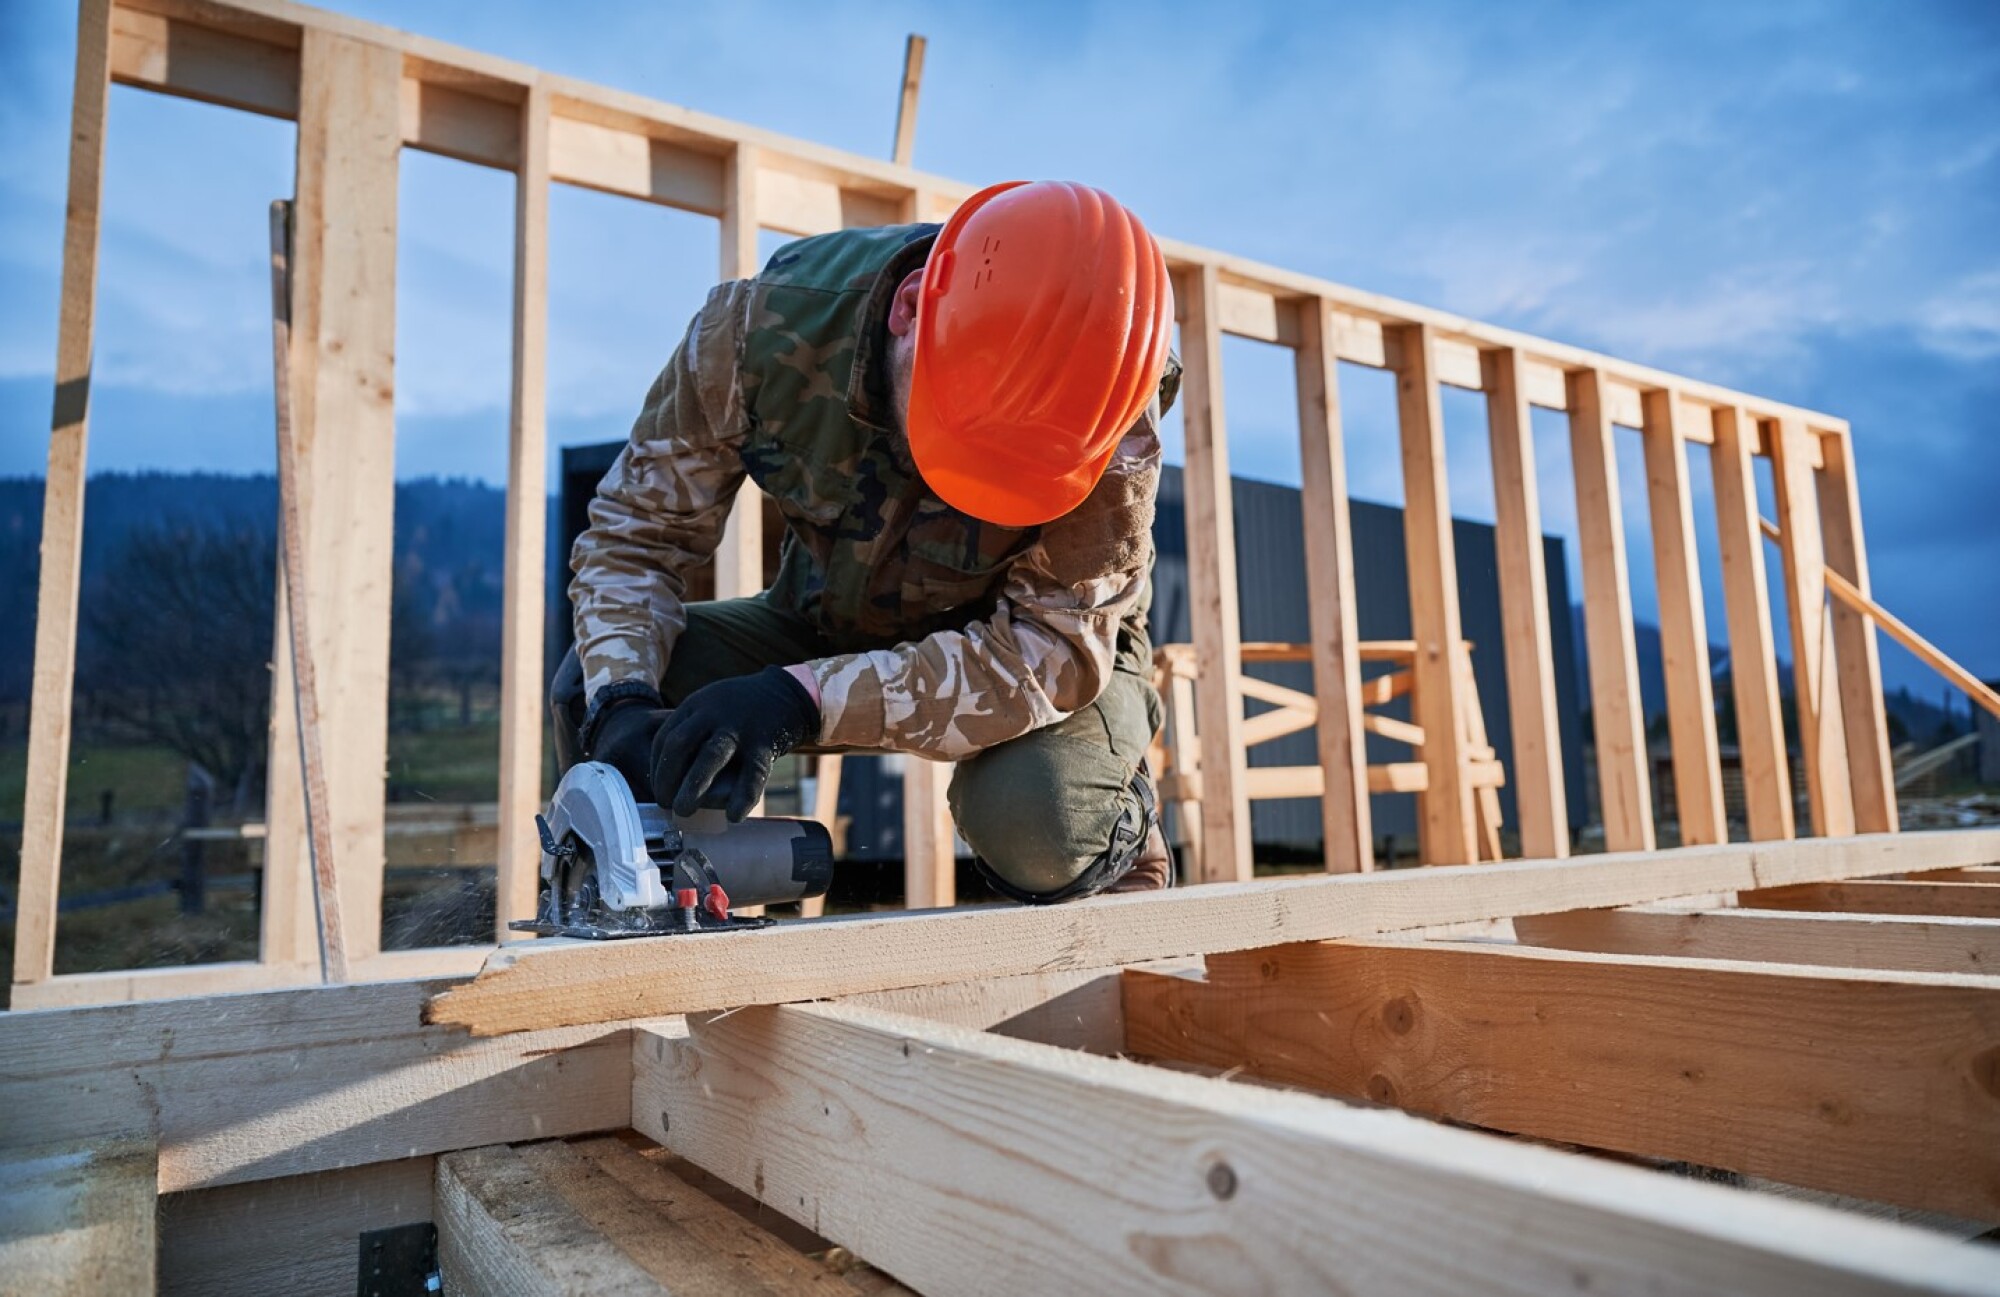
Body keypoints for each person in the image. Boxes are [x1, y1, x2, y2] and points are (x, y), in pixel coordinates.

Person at [550, 180, 1180, 903]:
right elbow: (636, 540)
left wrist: (805, 698)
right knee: (593, 690)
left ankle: (1116, 827)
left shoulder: (1113, 414)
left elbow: (1050, 648)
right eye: (958, 438)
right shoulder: (758, 330)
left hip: (1032, 656)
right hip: (823, 623)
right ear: (910, 309)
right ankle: (658, 901)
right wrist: (625, 703)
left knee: (1044, 821)